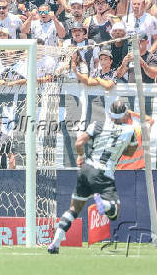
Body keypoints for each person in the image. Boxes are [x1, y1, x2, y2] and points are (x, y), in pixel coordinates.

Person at [48, 101, 138, 254]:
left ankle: (54, 244)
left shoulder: (97, 125)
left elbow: (79, 142)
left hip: (87, 169)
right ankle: (104, 204)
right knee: (114, 212)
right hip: (103, 173)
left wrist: (81, 157)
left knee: (73, 209)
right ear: (125, 114)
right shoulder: (130, 130)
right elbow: (130, 153)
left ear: (109, 113)